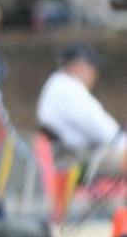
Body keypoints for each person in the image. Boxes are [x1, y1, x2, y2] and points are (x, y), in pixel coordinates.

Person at [36, 43, 124, 173]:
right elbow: (107, 132)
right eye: (93, 68)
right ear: (79, 66)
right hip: (73, 161)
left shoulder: (57, 84)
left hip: (67, 156)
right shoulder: (69, 89)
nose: (95, 75)